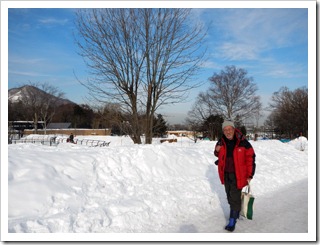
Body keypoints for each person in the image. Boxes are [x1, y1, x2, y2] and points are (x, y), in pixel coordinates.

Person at [214, 120, 256, 232]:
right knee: (229, 196)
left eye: (229, 129)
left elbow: (251, 158)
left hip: (238, 175)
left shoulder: (243, 142)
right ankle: (235, 212)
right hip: (225, 174)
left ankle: (232, 220)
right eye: (225, 130)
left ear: (233, 129)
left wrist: (250, 174)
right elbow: (218, 153)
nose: (228, 132)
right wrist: (216, 151)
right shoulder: (221, 141)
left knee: (235, 197)